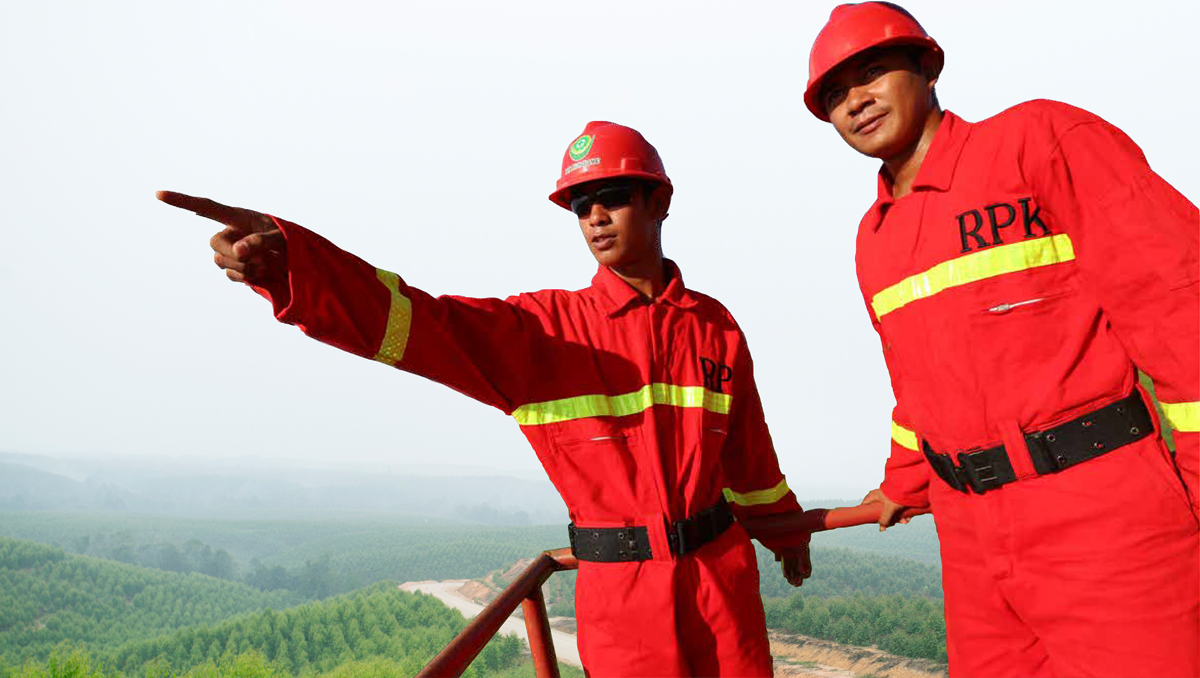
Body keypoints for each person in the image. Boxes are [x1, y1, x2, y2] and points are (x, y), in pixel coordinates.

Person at [158, 121, 812, 677]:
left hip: (723, 582)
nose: (594, 216)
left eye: (611, 196)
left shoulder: (714, 327)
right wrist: (295, 267)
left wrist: (786, 532)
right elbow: (418, 322)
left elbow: (749, 458)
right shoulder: (543, 333)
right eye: (580, 204)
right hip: (624, 600)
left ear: (659, 200)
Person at [801, 3, 1199, 676]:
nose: (855, 102)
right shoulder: (876, 237)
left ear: (928, 67)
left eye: (871, 74)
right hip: (970, 539)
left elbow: (1177, 305)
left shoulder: (1038, 142)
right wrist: (903, 482)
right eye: (835, 95)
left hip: (1101, 512)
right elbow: (917, 382)